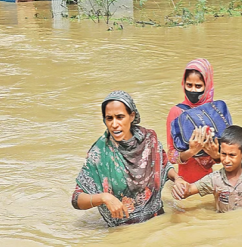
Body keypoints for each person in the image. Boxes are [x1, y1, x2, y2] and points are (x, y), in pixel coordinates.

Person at [71, 91, 189, 227]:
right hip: (123, 232)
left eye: (120, 117)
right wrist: (104, 198)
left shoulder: (149, 139)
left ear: (131, 116)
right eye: (109, 118)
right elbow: (77, 199)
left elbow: (163, 164)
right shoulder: (98, 153)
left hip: (158, 223)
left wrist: (177, 179)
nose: (114, 124)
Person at [166, 59, 221, 183]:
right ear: (183, 84)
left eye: (198, 86)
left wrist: (215, 155)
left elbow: (226, 157)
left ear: (207, 85)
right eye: (189, 85)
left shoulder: (215, 113)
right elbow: (171, 156)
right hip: (184, 186)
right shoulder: (177, 112)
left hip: (210, 185)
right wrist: (191, 151)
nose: (193, 90)